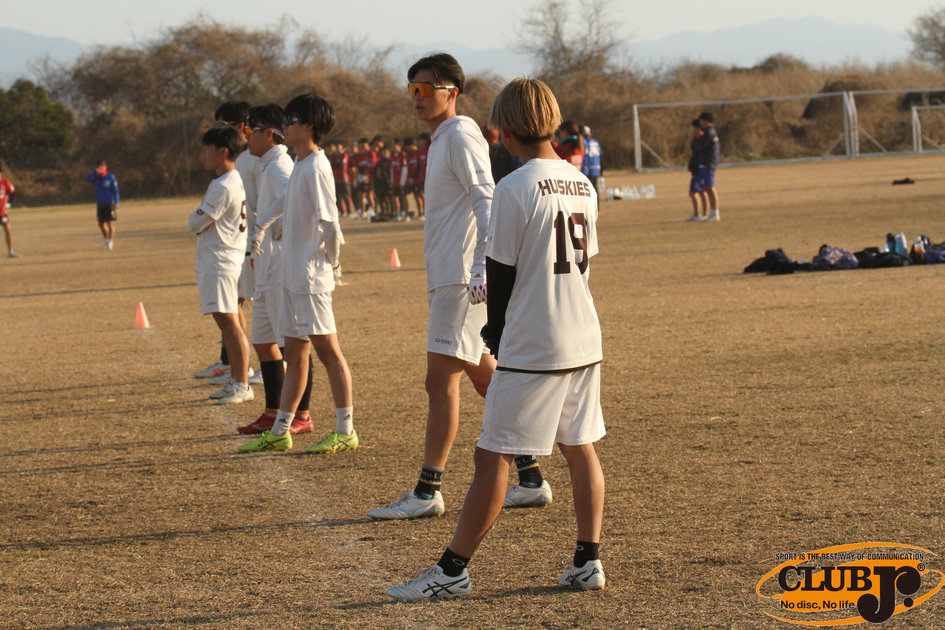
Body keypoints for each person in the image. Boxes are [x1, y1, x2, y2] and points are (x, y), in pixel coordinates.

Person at [387, 78, 605, 602]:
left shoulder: (514, 186)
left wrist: (496, 332)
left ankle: (452, 571)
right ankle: (587, 561)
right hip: (583, 333)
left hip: (535, 340)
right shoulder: (582, 182)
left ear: (504, 129)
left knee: (492, 459)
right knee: (580, 449)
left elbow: (501, 273)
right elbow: (585, 264)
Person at [368, 53, 552, 521]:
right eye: (411, 89)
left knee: (439, 382)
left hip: (461, 281)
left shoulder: (461, 134)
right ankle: (531, 477)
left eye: (425, 89)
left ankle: (428, 490)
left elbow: (486, 199)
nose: (416, 98)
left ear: (451, 92)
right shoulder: (441, 139)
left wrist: (480, 268)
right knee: (484, 376)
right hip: (450, 279)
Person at [239, 93, 358, 455]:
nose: (284, 127)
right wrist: (261, 224)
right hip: (292, 274)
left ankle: (345, 429)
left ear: (308, 126)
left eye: (289, 121)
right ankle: (281, 429)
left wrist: (332, 264)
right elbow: (284, 201)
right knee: (295, 352)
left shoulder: (317, 166)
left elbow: (330, 223)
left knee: (328, 351)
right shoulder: (299, 163)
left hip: (310, 277)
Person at [236, 103, 314, 436]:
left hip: (281, 270)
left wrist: (276, 231)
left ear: (269, 133)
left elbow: (295, 207)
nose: (246, 138)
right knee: (264, 342)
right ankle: (273, 410)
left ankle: (301, 413)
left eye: (249, 131)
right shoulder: (267, 165)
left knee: (293, 346)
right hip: (266, 269)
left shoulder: (280, 165)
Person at [187, 127, 254, 405]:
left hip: (221, 260)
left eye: (207, 148)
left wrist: (195, 217)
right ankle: (237, 379)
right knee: (230, 320)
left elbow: (196, 221)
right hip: (226, 257)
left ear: (222, 151)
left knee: (228, 322)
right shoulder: (229, 180)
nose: (203, 154)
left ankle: (241, 383)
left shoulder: (225, 184)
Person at [85, 160, 119, 250]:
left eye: (102, 168)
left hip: (109, 203)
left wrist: (116, 201)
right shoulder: (96, 178)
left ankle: (110, 242)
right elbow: (87, 179)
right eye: (98, 168)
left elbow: (115, 190)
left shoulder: (111, 177)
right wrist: (95, 173)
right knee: (101, 224)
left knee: (110, 223)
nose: (100, 169)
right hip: (100, 204)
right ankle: (107, 241)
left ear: (105, 168)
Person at [695, 111, 721, 221]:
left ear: (705, 121)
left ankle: (715, 213)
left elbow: (701, 146)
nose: (700, 122)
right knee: (707, 187)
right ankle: (712, 212)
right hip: (708, 163)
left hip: (708, 163)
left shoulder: (708, 132)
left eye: (701, 120)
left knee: (710, 188)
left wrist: (698, 138)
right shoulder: (710, 131)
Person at [686, 119, 708, 221]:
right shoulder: (695, 140)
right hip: (695, 169)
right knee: (692, 192)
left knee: (702, 191)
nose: (693, 130)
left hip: (701, 169)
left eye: (694, 128)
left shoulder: (704, 140)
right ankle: (696, 214)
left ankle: (705, 213)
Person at [0, 169, 19, 258]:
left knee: (8, 231)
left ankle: (10, 251)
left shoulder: (5, 183)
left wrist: (9, 203)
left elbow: (13, 194)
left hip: (2, 212)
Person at [580, 125, 603, 193]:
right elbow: (600, 156)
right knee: (595, 189)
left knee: (586, 190)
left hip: (586, 169)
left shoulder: (583, 142)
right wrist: (602, 168)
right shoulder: (595, 142)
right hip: (596, 168)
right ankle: (597, 200)